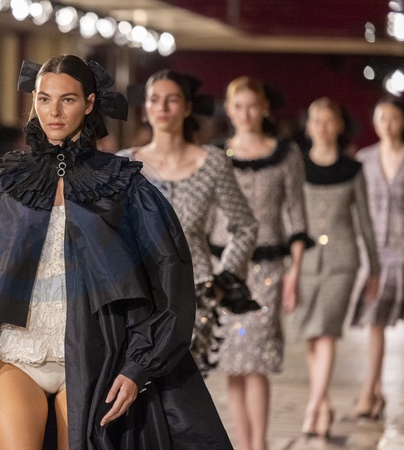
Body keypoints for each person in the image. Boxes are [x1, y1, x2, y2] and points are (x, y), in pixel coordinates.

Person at [0, 54, 231, 449]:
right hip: (14, 351)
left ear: (89, 103)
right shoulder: (1, 185)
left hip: (94, 353)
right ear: (33, 101)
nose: (54, 111)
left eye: (67, 99)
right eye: (44, 98)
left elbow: (169, 277)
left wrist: (138, 367)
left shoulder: (124, 187)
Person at [118, 69, 258, 375]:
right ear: (145, 108)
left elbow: (245, 225)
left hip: (193, 292)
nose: (162, 107)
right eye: (155, 99)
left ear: (187, 107)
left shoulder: (212, 162)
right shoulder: (124, 164)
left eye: (172, 99)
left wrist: (225, 280)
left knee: (183, 389)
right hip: (136, 293)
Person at [210, 76, 312, 450]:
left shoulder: (286, 155)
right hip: (224, 268)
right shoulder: (216, 156)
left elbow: (297, 217)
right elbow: (207, 217)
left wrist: (295, 273)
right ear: (229, 109)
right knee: (231, 362)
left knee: (257, 359)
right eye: (238, 106)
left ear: (265, 108)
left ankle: (259, 443)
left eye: (253, 105)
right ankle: (243, 442)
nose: (245, 113)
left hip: (268, 268)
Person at [287, 98, 380, 439]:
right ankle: (323, 403)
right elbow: (290, 217)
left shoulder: (353, 169)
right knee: (312, 335)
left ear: (340, 126)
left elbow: (365, 222)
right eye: (316, 120)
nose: (323, 127)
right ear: (308, 126)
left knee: (327, 332)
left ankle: (313, 406)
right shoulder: (297, 167)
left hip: (342, 262)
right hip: (305, 262)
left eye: (329, 121)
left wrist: (374, 269)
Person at [350, 95, 404, 422]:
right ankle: (370, 390)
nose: (387, 124)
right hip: (376, 255)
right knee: (375, 321)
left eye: (394, 117)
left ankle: (375, 392)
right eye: (381, 117)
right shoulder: (365, 159)